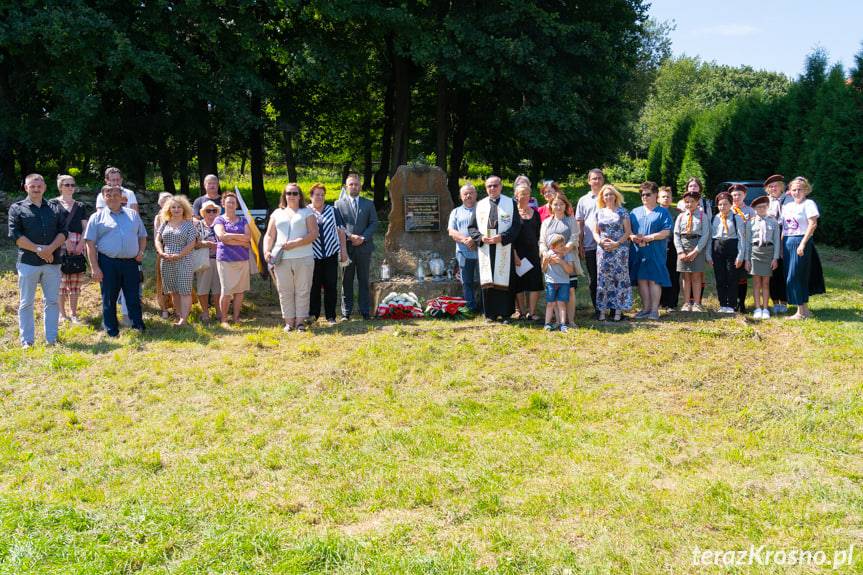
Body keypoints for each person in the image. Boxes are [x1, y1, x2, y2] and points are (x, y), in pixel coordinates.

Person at [8, 173, 67, 347]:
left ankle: (51, 339)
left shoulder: (55, 208)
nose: (36, 188)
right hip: (28, 263)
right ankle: (27, 341)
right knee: (26, 302)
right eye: (32, 186)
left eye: (39, 185)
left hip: (52, 262)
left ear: (44, 187)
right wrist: (40, 250)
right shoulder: (17, 208)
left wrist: (49, 249)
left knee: (52, 301)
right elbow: (16, 236)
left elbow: (63, 232)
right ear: (26, 188)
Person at [84, 185, 147, 336]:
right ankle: (111, 330)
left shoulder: (133, 214)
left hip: (131, 263)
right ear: (103, 197)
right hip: (108, 263)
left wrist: (141, 252)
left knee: (133, 296)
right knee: (109, 298)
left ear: (122, 197)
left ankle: (138, 326)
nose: (112, 197)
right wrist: (94, 268)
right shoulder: (96, 217)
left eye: (115, 194)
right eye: (108, 195)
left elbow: (143, 235)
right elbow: (90, 244)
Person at [265, 183, 319, 331]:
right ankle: (289, 322)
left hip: (304, 256)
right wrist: (266, 251)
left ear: (300, 195)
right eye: (289, 193)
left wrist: (297, 243)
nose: (292, 196)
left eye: (295, 193)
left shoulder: (307, 212)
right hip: (281, 258)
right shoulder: (277, 213)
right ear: (284, 195)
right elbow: (269, 235)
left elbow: (314, 233)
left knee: (303, 289)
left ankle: (300, 323)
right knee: (284, 290)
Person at [468, 175, 522, 323]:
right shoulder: (480, 205)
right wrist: (480, 238)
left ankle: (506, 314)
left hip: (503, 247)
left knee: (505, 280)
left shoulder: (510, 203)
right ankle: (490, 314)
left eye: (495, 185)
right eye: (489, 186)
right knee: (488, 281)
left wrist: (502, 237)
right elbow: (472, 228)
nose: (492, 188)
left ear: (501, 186)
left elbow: (517, 226)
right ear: (486, 188)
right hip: (486, 249)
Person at [95, 167, 139, 327]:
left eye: (117, 180)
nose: (115, 182)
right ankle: (108, 319)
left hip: (128, 246)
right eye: (111, 180)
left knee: (129, 288)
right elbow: (103, 215)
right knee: (109, 288)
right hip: (109, 246)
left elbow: (134, 215)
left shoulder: (130, 193)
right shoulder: (102, 195)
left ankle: (127, 316)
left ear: (121, 180)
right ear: (107, 181)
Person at [335, 173, 378, 320]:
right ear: (346, 187)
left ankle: (365, 311)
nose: (354, 186)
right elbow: (338, 224)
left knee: (363, 279)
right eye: (351, 184)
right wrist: (349, 236)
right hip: (346, 248)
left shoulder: (368, 203)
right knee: (346, 280)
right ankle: (346, 312)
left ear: (360, 186)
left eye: (356, 184)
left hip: (364, 247)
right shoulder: (338, 204)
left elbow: (374, 223)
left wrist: (363, 237)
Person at [628, 181, 673, 320]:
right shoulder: (635, 212)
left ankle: (654, 310)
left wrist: (650, 237)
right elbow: (628, 231)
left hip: (655, 251)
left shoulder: (662, 212)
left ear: (655, 195)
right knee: (642, 279)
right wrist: (633, 237)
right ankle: (646, 309)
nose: (644, 197)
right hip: (638, 252)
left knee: (653, 279)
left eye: (648, 194)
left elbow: (666, 232)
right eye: (642, 194)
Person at [52, 174, 93, 324]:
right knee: (61, 283)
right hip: (59, 244)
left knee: (75, 282)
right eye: (66, 185)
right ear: (60, 187)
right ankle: (62, 315)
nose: (70, 187)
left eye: (72, 185)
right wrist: (66, 240)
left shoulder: (80, 206)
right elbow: (52, 226)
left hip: (78, 244)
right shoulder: (52, 204)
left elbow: (85, 227)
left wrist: (82, 243)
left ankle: (74, 314)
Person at [539, 192, 581, 326]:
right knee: (555, 290)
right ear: (551, 206)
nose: (558, 207)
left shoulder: (571, 220)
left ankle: (571, 320)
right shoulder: (546, 222)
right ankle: (558, 321)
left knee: (570, 290)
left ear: (565, 205)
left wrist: (565, 250)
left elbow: (575, 237)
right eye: (555, 204)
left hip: (568, 258)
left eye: (561, 204)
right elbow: (542, 242)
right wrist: (546, 254)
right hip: (551, 261)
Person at [154, 196, 198, 326]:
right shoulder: (165, 223)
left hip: (184, 260)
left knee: (184, 290)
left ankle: (184, 319)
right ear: (169, 209)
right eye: (173, 207)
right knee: (173, 290)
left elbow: (192, 243)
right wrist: (161, 252)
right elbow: (157, 239)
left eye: (179, 207)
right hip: (166, 260)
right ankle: (179, 315)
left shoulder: (189, 224)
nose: (176, 209)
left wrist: (179, 255)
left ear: (184, 209)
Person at [308, 183, 348, 324]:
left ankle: (331, 316)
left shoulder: (333, 210)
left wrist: (343, 251)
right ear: (311, 196)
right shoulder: (306, 211)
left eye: (322, 195)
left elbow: (341, 230)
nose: (319, 197)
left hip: (331, 254)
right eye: (317, 194)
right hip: (312, 255)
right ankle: (313, 315)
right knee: (314, 286)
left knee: (331, 285)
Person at [591, 184, 631, 322]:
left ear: (616, 196)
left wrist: (617, 243)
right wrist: (601, 242)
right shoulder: (599, 212)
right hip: (603, 251)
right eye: (605, 194)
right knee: (603, 279)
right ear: (602, 197)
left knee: (619, 279)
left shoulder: (623, 212)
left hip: (620, 251)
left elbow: (628, 232)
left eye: (611, 194)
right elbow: (595, 232)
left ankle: (618, 312)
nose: (608, 197)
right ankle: (602, 311)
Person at [781, 176, 819, 320]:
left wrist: (802, 243)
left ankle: (800, 312)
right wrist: (780, 247)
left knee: (795, 276)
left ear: (806, 190)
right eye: (794, 189)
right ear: (789, 191)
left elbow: (813, 224)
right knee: (793, 275)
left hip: (800, 240)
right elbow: (784, 228)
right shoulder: (787, 206)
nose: (797, 192)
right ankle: (805, 311)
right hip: (787, 242)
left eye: (800, 189)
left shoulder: (808, 204)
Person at [214, 192, 252, 327]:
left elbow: (248, 238)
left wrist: (231, 238)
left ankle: (236, 318)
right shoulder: (219, 220)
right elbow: (221, 236)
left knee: (240, 291)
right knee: (226, 290)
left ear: (237, 205)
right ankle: (224, 320)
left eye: (233, 202)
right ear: (223, 204)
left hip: (242, 259)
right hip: (226, 259)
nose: (231, 204)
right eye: (228, 202)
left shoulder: (243, 220)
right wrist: (240, 240)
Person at [707, 192, 747, 313]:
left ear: (731, 204)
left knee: (732, 276)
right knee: (720, 277)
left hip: (732, 247)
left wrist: (740, 256)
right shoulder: (714, 218)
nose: (722, 207)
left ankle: (731, 304)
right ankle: (723, 304)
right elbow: (710, 238)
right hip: (717, 248)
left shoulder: (736, 218)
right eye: (720, 204)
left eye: (725, 204)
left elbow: (742, 238)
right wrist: (708, 255)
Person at [673, 189, 710, 312]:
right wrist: (680, 251)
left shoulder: (702, 216)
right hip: (683, 246)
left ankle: (697, 303)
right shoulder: (681, 216)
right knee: (685, 277)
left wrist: (696, 251)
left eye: (692, 201)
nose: (689, 204)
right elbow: (676, 234)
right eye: (687, 202)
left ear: (697, 202)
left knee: (696, 276)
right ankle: (686, 303)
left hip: (697, 246)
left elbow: (705, 234)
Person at [745, 195, 781, 320]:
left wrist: (775, 258)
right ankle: (757, 308)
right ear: (754, 209)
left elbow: (777, 241)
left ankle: (765, 308)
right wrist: (747, 259)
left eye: (763, 207)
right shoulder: (750, 222)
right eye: (758, 207)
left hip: (768, 252)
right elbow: (747, 242)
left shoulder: (773, 221)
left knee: (766, 282)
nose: (761, 209)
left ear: (767, 207)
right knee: (756, 282)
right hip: (755, 252)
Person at [576, 168, 604, 317]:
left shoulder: (609, 196)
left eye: (600, 178)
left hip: (608, 246)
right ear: (589, 181)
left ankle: (613, 309)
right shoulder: (583, 200)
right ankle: (598, 309)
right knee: (594, 278)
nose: (597, 181)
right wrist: (580, 244)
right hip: (590, 244)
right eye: (594, 178)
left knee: (609, 277)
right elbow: (579, 223)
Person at [512, 184, 543, 321]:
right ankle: (521, 311)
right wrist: (514, 255)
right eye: (522, 193)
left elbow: (539, 235)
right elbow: (509, 237)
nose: (524, 196)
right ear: (516, 196)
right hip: (518, 254)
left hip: (533, 253)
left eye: (527, 193)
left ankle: (532, 312)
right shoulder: (512, 214)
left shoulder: (535, 213)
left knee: (534, 282)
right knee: (518, 284)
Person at [447, 183, 479, 313]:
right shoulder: (455, 212)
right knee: (467, 282)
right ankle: (470, 307)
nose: (468, 195)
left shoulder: (483, 209)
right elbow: (451, 231)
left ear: (476, 194)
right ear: (461, 197)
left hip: (482, 252)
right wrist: (465, 240)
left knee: (485, 281)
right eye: (465, 194)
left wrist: (474, 239)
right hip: (463, 253)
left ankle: (485, 308)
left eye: (471, 193)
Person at [764, 174, 791, 314]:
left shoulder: (789, 199)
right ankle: (775, 301)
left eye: (776, 185)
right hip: (770, 236)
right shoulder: (765, 201)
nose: (773, 188)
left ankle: (784, 301)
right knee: (772, 271)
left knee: (784, 270)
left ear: (782, 187)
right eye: (770, 186)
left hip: (785, 234)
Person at [729, 183, 755, 313]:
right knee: (730, 275)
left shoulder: (750, 211)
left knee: (741, 276)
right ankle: (731, 302)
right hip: (730, 246)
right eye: (733, 195)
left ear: (744, 195)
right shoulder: (727, 210)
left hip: (744, 246)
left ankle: (741, 303)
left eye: (739, 194)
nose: (736, 197)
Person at [542, 234, 575, 332]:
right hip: (551, 282)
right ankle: (547, 324)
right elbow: (544, 269)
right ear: (552, 247)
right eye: (560, 246)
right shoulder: (548, 254)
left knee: (561, 303)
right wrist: (545, 262)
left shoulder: (567, 254)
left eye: (563, 244)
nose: (563, 247)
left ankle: (563, 324)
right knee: (550, 303)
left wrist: (561, 261)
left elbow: (570, 270)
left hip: (564, 282)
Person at [195, 200, 221, 323]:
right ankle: (205, 312)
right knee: (202, 289)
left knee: (218, 289)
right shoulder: (197, 225)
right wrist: (205, 243)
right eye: (208, 210)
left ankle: (219, 312)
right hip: (204, 260)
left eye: (214, 210)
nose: (211, 213)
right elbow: (192, 243)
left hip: (220, 260)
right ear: (203, 213)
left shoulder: (221, 224)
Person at [658, 186, 681, 311]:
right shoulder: (654, 212)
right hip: (657, 245)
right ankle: (659, 300)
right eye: (663, 196)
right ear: (658, 199)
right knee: (659, 273)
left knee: (672, 274)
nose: (666, 199)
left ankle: (671, 302)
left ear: (672, 198)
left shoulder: (677, 213)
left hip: (673, 246)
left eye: (668, 197)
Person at [153, 192, 174, 319]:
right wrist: (161, 252)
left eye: (169, 200)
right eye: (164, 201)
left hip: (179, 253)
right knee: (163, 283)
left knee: (177, 281)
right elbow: (157, 238)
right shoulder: (158, 217)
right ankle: (164, 309)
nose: (167, 203)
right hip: (163, 253)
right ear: (160, 204)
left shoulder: (178, 215)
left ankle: (178, 308)